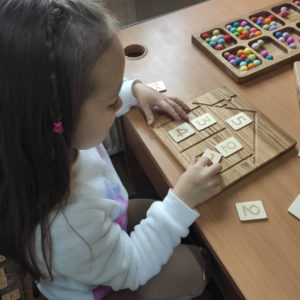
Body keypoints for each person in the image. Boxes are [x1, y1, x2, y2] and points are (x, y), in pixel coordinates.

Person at [0, 1, 222, 299]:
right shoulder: (67, 218)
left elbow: (92, 93)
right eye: (110, 102)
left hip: (98, 237)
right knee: (194, 266)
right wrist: (181, 200)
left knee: (156, 208)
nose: (118, 106)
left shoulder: (42, 134)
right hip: (98, 289)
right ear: (60, 115)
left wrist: (134, 90)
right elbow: (132, 269)